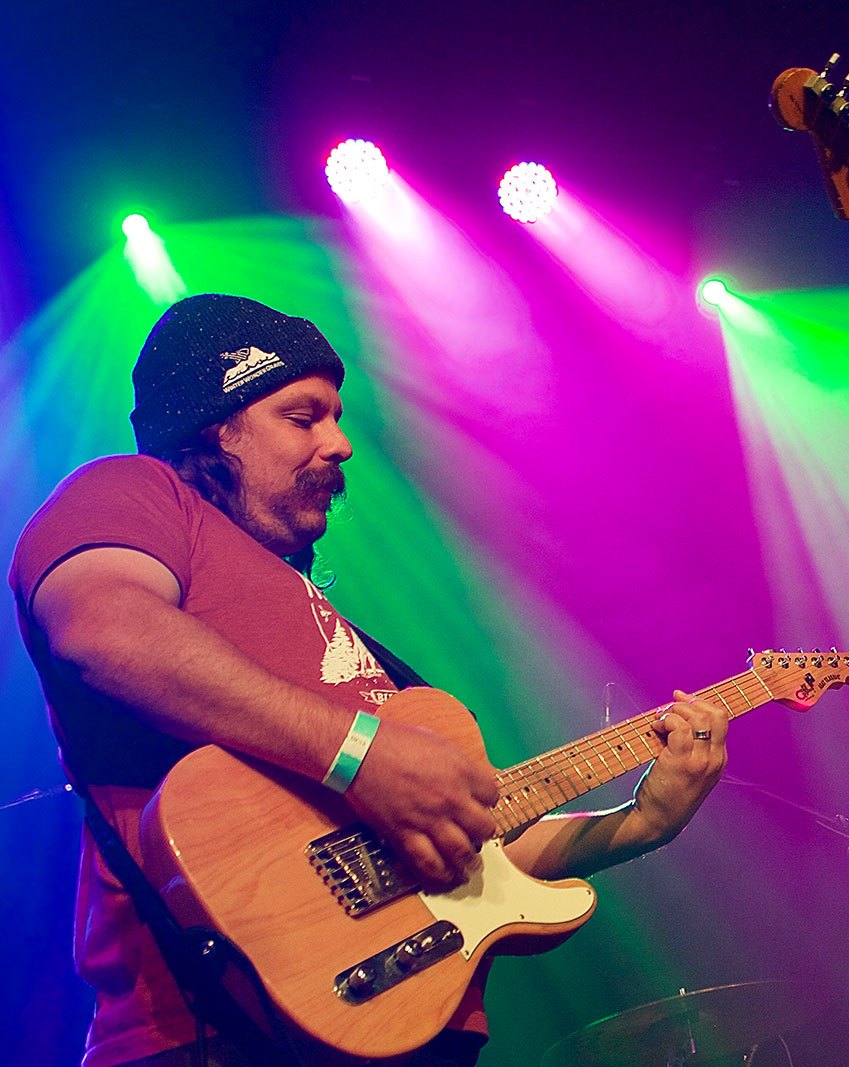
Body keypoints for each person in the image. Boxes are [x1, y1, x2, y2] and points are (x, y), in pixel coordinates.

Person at [10, 293, 731, 1067]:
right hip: (215, 1033)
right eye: (303, 416)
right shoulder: (133, 492)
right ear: (214, 427)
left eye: (338, 417)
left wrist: (642, 820)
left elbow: (461, 860)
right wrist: (360, 753)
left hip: (397, 1022)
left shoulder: (322, 626)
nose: (341, 443)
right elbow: (103, 627)